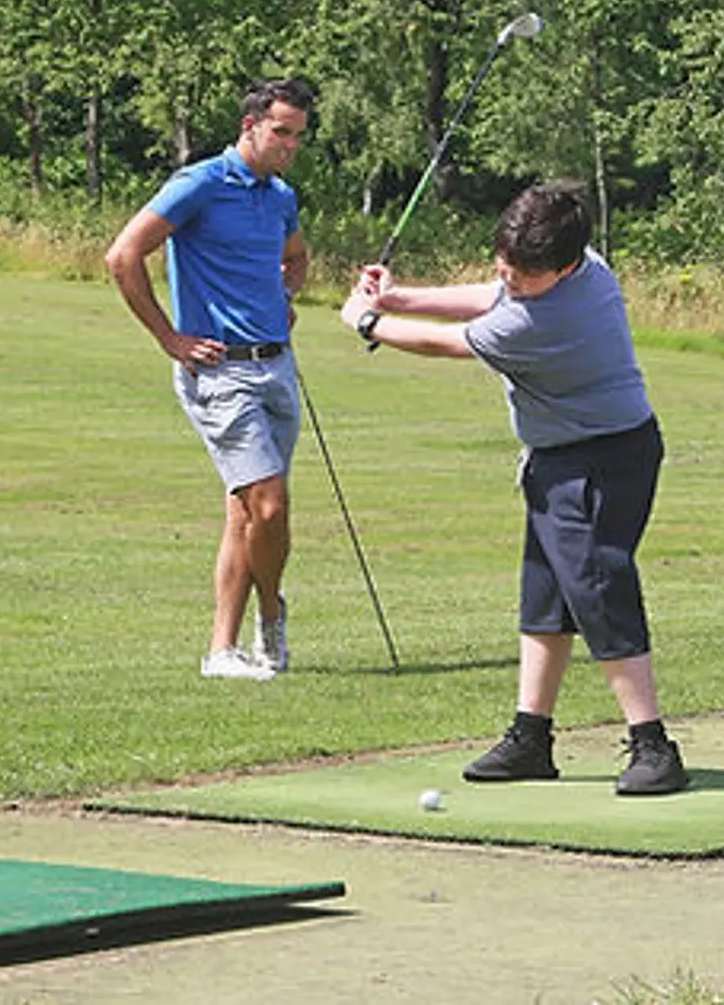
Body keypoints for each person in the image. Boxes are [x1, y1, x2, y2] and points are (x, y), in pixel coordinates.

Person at [340, 180, 687, 796]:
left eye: (525, 275)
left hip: (604, 461)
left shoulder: (544, 320)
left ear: (566, 265)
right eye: (507, 266)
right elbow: (492, 294)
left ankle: (653, 743)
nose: (511, 280)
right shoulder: (576, 267)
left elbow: (449, 344)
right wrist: (403, 295)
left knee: (600, 591)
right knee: (546, 597)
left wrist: (369, 320)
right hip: (560, 459)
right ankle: (532, 736)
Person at [106, 78, 315, 682]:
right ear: (249, 126)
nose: (289, 145)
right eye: (281, 132)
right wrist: (169, 338)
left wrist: (284, 291)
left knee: (245, 515)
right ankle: (272, 614)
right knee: (270, 508)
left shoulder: (279, 196)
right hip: (220, 374)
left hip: (277, 366)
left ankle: (222, 651)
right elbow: (123, 256)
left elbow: (296, 258)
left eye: (298, 135)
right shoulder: (200, 183)